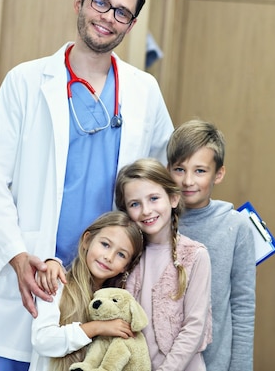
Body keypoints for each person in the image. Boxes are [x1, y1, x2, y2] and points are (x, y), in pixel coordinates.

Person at [0, 0, 174, 370]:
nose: (108, 18)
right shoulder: (25, 82)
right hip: (39, 277)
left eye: (122, 12)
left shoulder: (144, 91)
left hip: (107, 281)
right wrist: (17, 257)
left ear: (131, 25)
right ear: (79, 2)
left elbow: (163, 182)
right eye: (101, 2)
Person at [167, 119, 256, 371]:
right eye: (179, 169)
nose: (188, 181)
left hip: (214, 362)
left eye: (200, 171)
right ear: (167, 169)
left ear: (219, 174)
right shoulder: (155, 220)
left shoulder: (236, 227)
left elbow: (242, 304)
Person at [114, 158, 212, 370]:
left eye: (154, 198)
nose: (146, 210)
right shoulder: (127, 257)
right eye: (135, 204)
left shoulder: (195, 255)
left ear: (173, 198)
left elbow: (194, 326)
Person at [28, 211, 144, 371]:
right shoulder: (55, 281)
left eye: (121, 254)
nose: (109, 257)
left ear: (125, 267)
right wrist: (97, 327)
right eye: (105, 244)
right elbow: (42, 341)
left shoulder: (115, 305)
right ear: (87, 240)